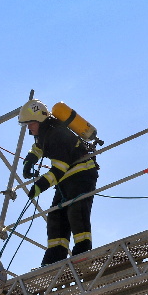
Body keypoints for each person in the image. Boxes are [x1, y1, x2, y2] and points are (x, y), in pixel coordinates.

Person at [17, 99, 99, 266]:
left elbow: (60, 168)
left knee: (76, 209)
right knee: (55, 215)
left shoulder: (57, 134)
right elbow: (39, 147)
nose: (28, 127)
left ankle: (82, 253)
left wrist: (39, 186)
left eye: (30, 123)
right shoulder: (45, 133)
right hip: (65, 180)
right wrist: (29, 160)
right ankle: (53, 258)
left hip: (81, 174)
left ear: (39, 120)